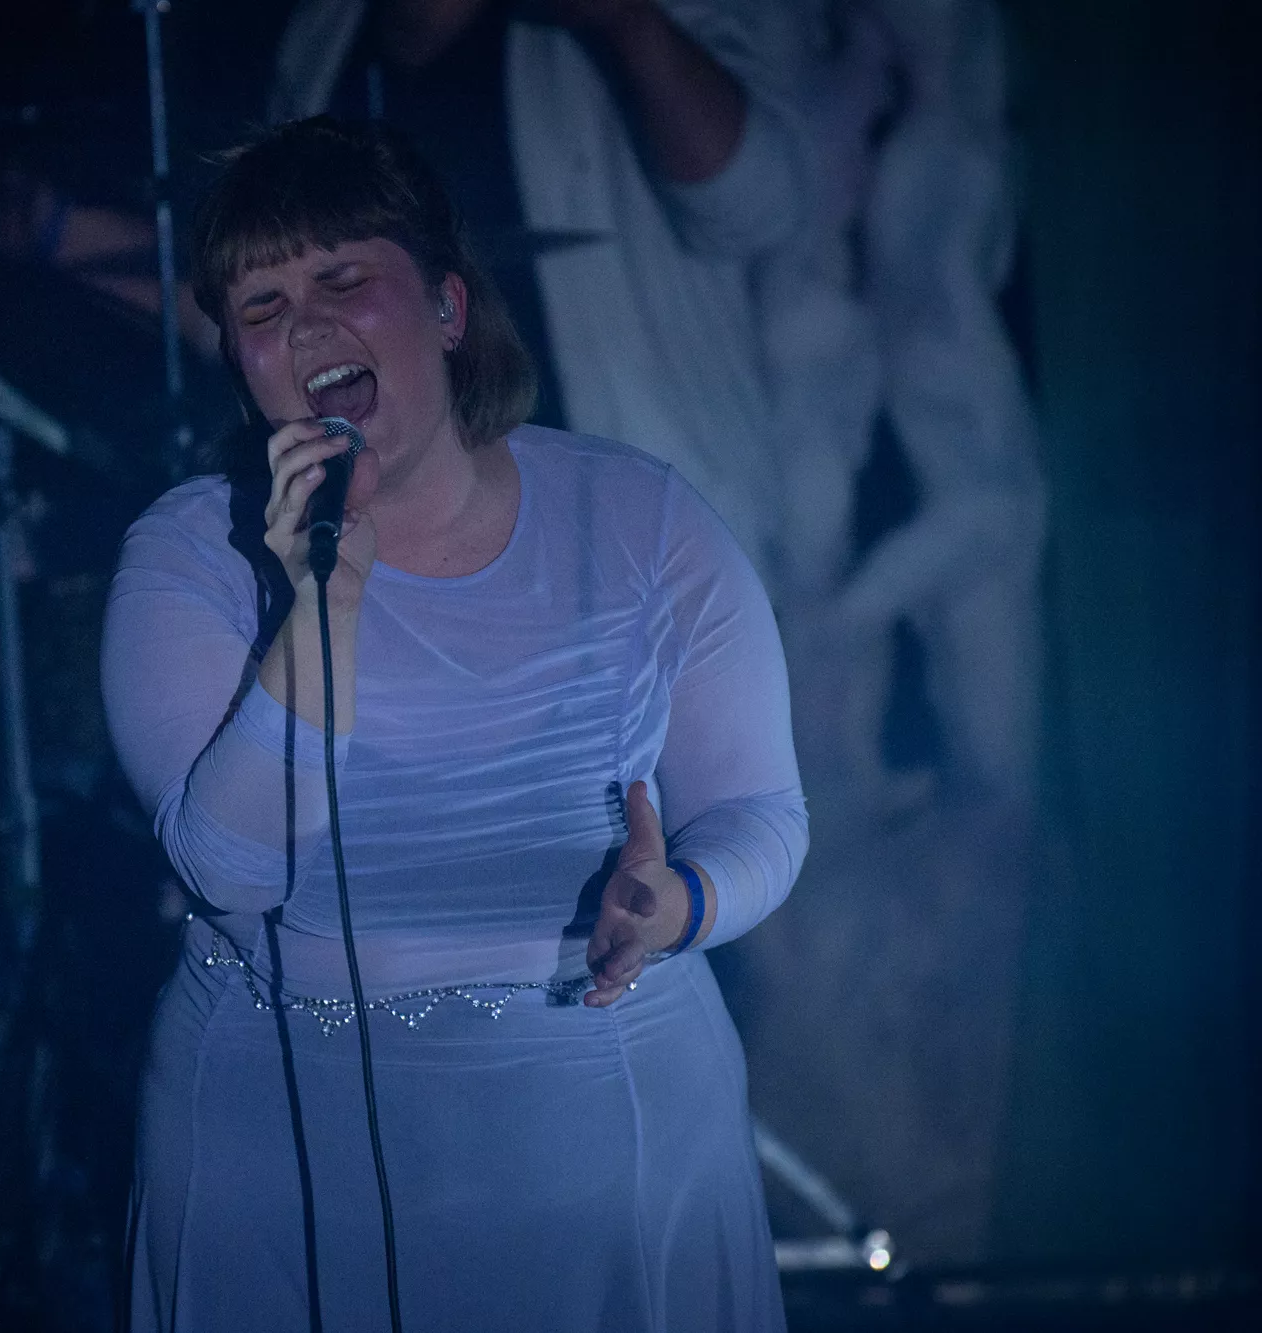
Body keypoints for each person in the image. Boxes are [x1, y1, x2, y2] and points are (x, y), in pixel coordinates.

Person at [100, 118, 807, 1331]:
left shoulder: (635, 516)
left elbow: (761, 809)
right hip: (285, 1142)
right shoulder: (188, 554)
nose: (304, 328)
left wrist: (678, 902)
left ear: (444, 306)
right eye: (260, 305)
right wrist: (325, 597)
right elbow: (231, 869)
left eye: (341, 280)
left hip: (612, 1128)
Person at [268, 0, 811, 583]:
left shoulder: (659, 14)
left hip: (648, 547)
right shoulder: (322, 35)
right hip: (416, 564)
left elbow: (761, 209)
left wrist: (626, 21)